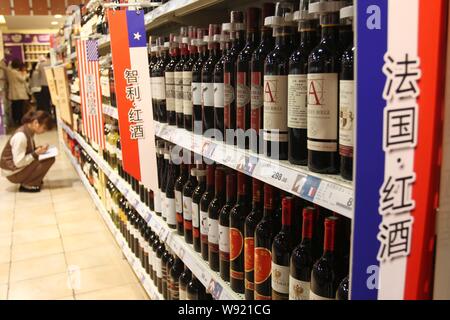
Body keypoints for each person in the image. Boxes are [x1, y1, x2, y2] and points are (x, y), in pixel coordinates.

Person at [0, 110, 55, 192]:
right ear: (36, 123)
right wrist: (36, 153)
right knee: (48, 160)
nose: (44, 131)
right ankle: (29, 184)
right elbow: (18, 162)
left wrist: (38, 150)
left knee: (48, 158)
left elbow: (26, 151)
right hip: (13, 173)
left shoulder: (28, 131)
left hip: (14, 169)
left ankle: (32, 180)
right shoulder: (21, 136)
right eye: (44, 128)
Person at [0, 59, 30, 126]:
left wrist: (2, 61)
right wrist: (25, 74)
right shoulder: (16, 72)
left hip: (12, 92)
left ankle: (15, 120)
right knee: (19, 107)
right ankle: (19, 120)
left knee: (15, 106)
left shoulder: (9, 71)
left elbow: (3, 67)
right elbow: (22, 79)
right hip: (19, 92)